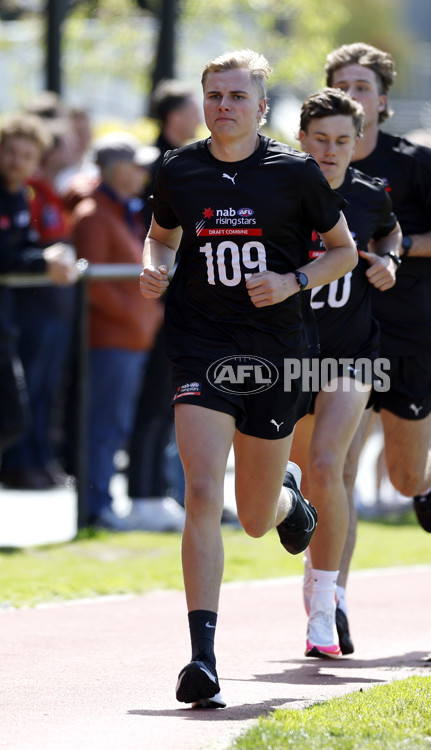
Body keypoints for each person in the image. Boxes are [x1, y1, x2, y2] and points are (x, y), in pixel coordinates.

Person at [140, 50, 357, 707]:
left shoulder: (294, 174)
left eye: (237, 96)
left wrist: (293, 280)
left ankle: (292, 501)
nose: (224, 106)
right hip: (202, 348)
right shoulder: (180, 170)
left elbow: (344, 251)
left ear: (261, 107)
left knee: (258, 518)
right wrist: (155, 265)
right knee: (203, 488)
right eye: (214, 95)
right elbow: (160, 236)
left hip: (277, 351)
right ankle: (201, 659)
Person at [324, 42, 431, 527]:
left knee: (403, 475)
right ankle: (332, 600)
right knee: (334, 470)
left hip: (410, 334)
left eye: (362, 88)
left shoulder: (415, 164)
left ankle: (427, 477)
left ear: (381, 101)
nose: (351, 95)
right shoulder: (312, 167)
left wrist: (403, 244)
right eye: (341, 86)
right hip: (341, 337)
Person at [289, 88, 400, 657]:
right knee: (303, 480)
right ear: (301, 138)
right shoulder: (275, 190)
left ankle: (326, 606)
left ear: (357, 142)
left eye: (342, 141)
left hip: (351, 353)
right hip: (285, 357)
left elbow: (389, 231)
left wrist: (389, 260)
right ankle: (312, 568)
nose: (331, 151)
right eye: (320, 140)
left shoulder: (369, 195)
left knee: (329, 465)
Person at [72, 132, 164, 529]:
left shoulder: (120, 211)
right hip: (111, 340)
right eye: (135, 164)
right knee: (105, 424)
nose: (143, 171)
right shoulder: (94, 214)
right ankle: (96, 506)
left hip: (129, 340)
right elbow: (93, 285)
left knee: (115, 423)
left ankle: (102, 502)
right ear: (115, 169)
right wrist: (134, 314)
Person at [126, 80, 201, 532]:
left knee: (168, 402)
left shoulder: (182, 160)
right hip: (158, 303)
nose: (201, 116)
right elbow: (152, 235)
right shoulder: (160, 164)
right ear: (173, 116)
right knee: (152, 401)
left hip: (175, 304)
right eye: (195, 107)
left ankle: (155, 491)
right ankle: (142, 493)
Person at [0, 117, 79, 489]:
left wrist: (53, 252)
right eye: (10, 152)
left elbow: (21, 247)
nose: (17, 161)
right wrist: (43, 260)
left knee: (16, 413)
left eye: (26, 155)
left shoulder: (20, 194)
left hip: (8, 320)